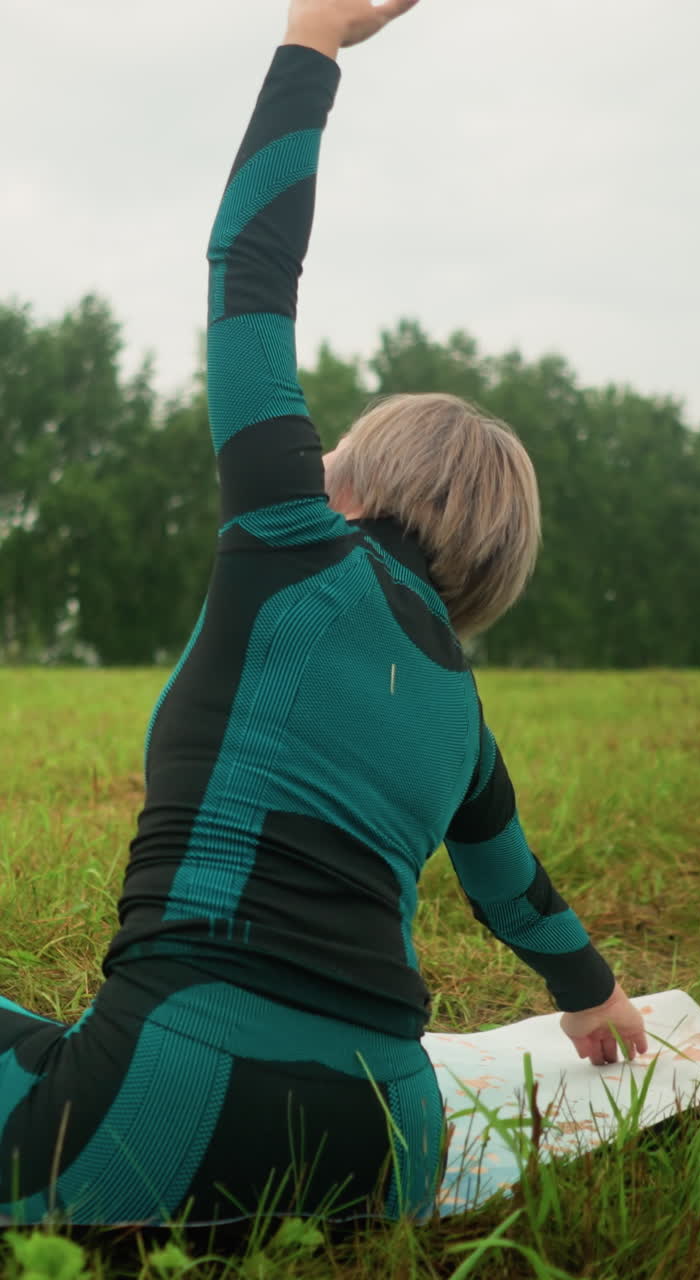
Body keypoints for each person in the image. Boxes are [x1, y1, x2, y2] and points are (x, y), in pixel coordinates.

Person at [0, 0, 647, 1229]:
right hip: (387, 1146)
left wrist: (312, 39)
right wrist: (597, 999)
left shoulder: (289, 540)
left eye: (333, 445)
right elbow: (523, 899)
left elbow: (250, 270)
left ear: (351, 484)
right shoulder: (462, 717)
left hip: (154, 1114)